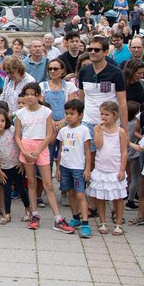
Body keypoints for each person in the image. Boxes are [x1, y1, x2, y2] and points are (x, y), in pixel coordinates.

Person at [16, 82, 72, 233]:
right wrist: (24, 152)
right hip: (26, 146)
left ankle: (58, 218)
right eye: (26, 94)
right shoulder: (20, 113)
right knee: (32, 182)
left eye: (32, 94)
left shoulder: (46, 111)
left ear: (38, 96)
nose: (29, 97)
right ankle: (34, 215)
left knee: (48, 184)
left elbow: (49, 134)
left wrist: (38, 150)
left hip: (41, 147)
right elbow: (17, 136)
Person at [89, 100, 128, 235]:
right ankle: (102, 222)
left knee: (118, 197)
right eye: (102, 114)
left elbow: (124, 151)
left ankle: (118, 223)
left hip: (115, 168)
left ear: (114, 115)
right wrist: (99, 132)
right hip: (101, 168)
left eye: (106, 114)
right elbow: (98, 145)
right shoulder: (97, 128)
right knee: (101, 196)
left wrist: (122, 169)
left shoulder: (120, 131)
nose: (103, 117)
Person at [57, 99, 93, 238]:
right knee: (71, 193)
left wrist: (87, 169)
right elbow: (60, 150)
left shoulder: (84, 130)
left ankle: (85, 223)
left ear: (81, 115)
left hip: (78, 168)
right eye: (66, 113)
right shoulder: (63, 131)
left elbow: (88, 151)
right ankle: (75, 217)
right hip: (65, 166)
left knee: (80, 195)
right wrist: (59, 168)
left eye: (72, 113)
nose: (68, 116)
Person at [79, 36, 127, 135]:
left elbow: (122, 102)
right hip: (87, 122)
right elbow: (81, 99)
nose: (92, 52)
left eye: (96, 50)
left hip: (110, 124)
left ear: (105, 52)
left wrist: (124, 127)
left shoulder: (116, 72)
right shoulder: (83, 71)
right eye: (90, 49)